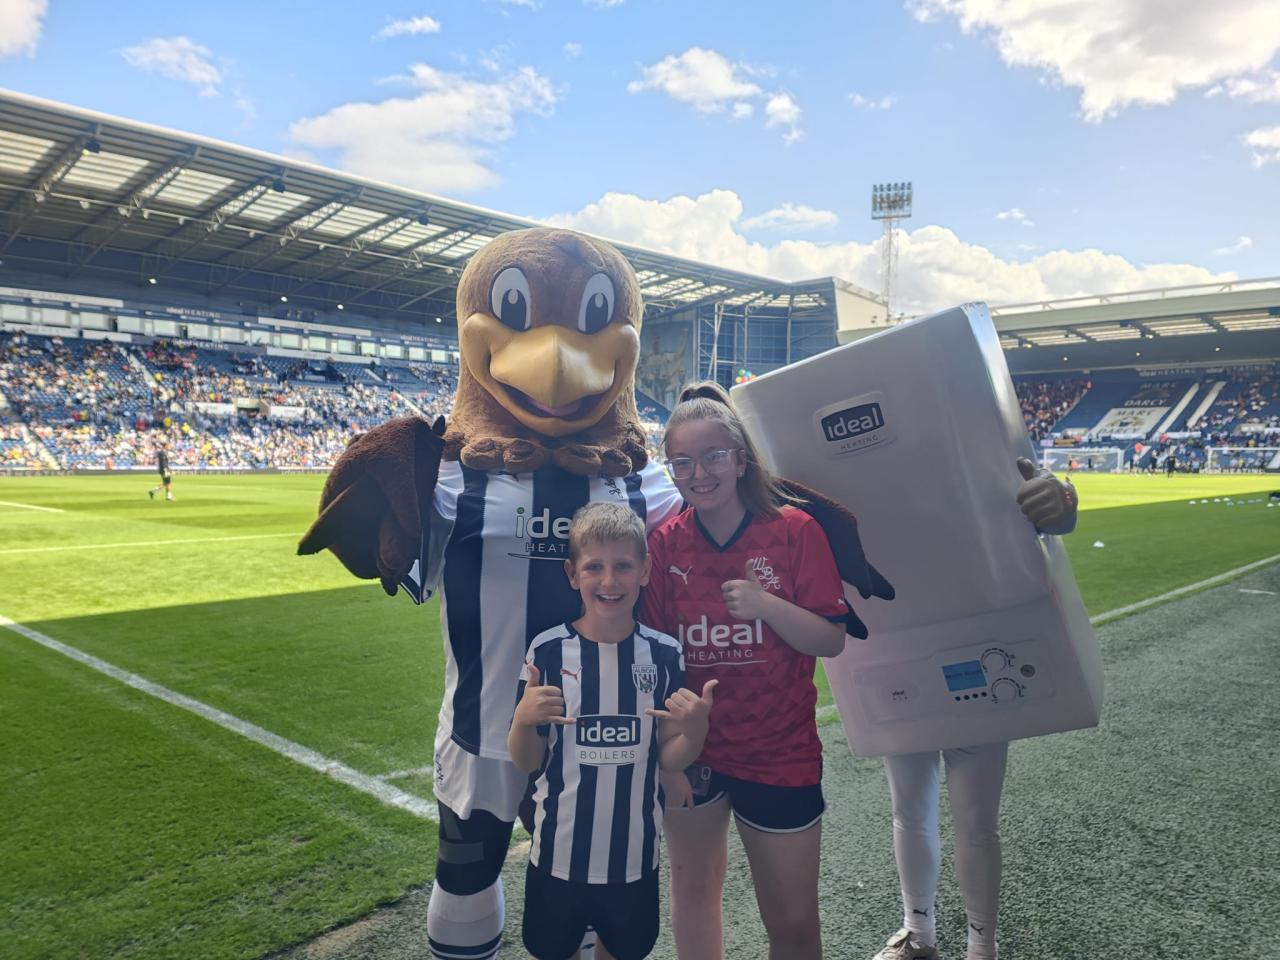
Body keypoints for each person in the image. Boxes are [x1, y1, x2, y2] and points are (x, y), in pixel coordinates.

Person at [641, 382, 851, 960]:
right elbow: (657, 664)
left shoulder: (793, 532)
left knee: (792, 923)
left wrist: (766, 606)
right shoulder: (663, 546)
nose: (698, 473)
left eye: (712, 456)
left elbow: (831, 639)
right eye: (682, 461)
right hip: (695, 756)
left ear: (739, 459)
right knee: (694, 892)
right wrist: (669, 759)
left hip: (779, 754)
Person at [870, 457, 1078, 960]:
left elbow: (1039, 493)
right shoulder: (872, 450)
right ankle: (919, 934)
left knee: (976, 817)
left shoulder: (961, 420)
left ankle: (981, 947)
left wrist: (1064, 499)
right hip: (900, 651)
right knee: (910, 809)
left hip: (973, 644)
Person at [509, 502, 713, 960]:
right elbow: (526, 760)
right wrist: (523, 719)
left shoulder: (663, 654)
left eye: (623, 566)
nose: (608, 581)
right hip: (556, 856)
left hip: (633, 861)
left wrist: (695, 730)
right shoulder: (547, 650)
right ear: (572, 573)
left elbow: (668, 758)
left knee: (625, 951)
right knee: (551, 950)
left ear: (644, 570)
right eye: (594, 567)